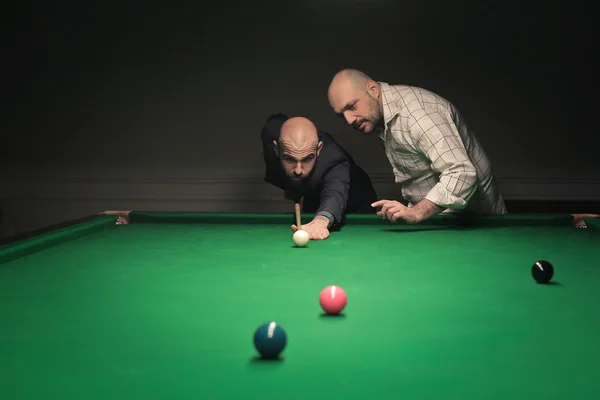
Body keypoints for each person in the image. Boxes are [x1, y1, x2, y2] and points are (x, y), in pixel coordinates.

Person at [327, 68, 507, 224]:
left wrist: (416, 212)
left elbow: (461, 173)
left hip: (475, 220)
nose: (349, 120)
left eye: (351, 106)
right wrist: (410, 211)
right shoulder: (381, 116)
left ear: (373, 89)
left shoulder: (417, 113)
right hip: (437, 220)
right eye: (341, 115)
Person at [261, 113, 378, 239]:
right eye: (289, 158)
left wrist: (321, 220)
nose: (298, 170)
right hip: (313, 193)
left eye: (308, 158)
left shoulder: (335, 161)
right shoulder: (273, 134)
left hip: (356, 202)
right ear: (276, 149)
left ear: (318, 149)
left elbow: (335, 194)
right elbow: (274, 122)